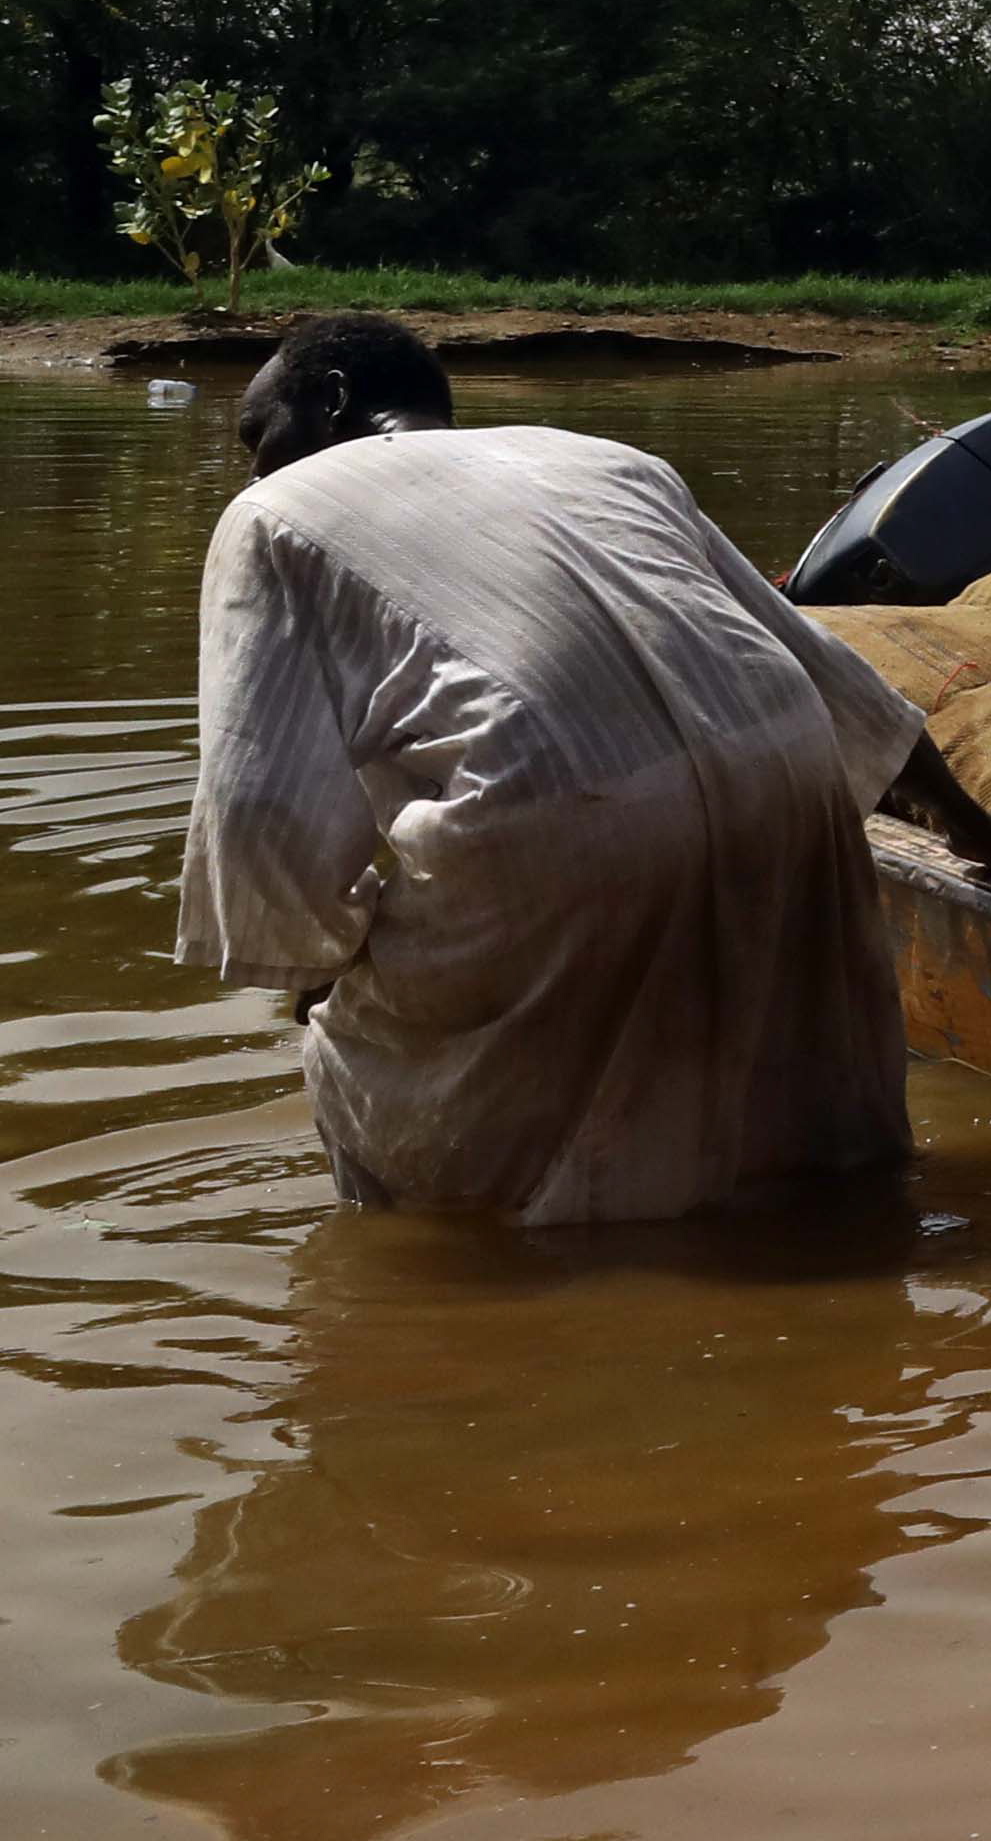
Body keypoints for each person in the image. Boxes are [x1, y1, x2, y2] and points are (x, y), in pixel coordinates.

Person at [178, 314, 922, 1222]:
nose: (254, 467)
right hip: (788, 772)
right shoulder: (602, 455)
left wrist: (315, 965)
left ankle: (490, 1299)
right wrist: (979, 832)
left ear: (332, 402)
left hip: (549, 808)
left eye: (259, 437)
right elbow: (814, 659)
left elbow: (257, 799)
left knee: (380, 1074)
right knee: (785, 1118)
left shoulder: (274, 512)